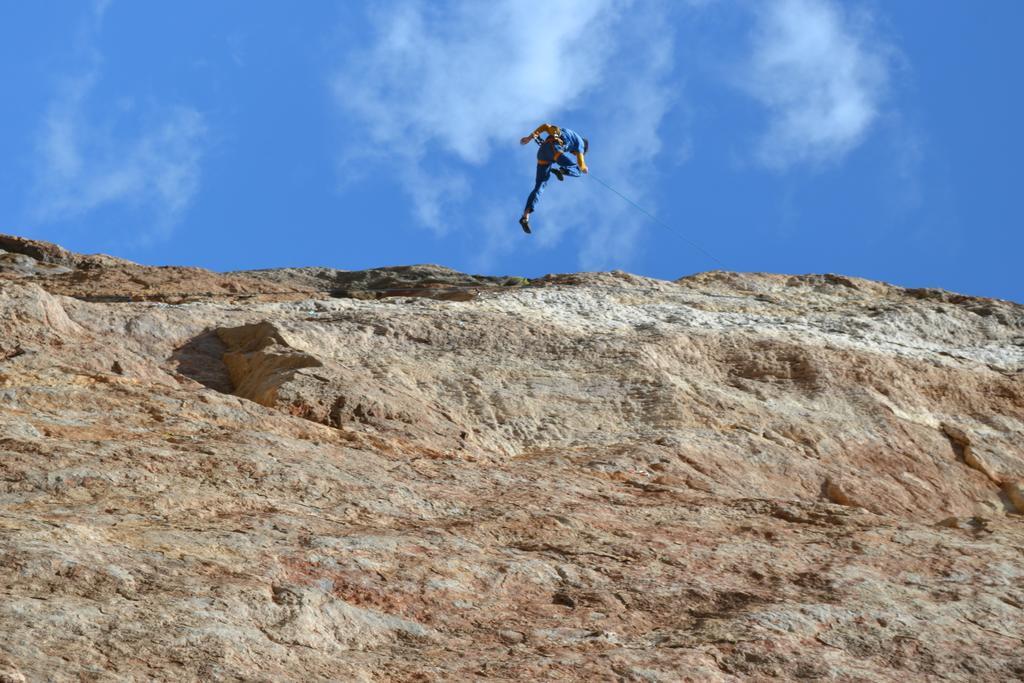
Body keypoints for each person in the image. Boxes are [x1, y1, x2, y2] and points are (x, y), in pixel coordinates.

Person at [518, 124, 589, 234]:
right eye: (574, 153)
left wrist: (529, 137)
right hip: (554, 150)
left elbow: (546, 126)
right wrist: (584, 168)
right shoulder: (580, 144)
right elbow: (581, 162)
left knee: (539, 186)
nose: (572, 153)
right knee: (578, 171)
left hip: (542, 154)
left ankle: (525, 217)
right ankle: (562, 171)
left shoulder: (565, 131)